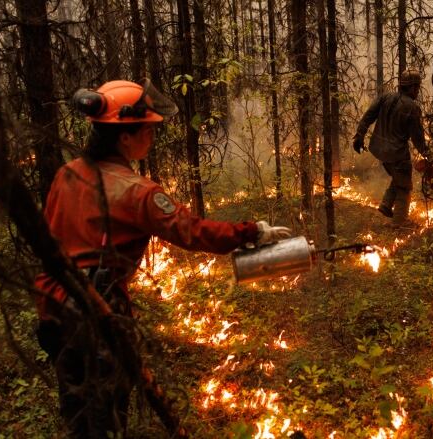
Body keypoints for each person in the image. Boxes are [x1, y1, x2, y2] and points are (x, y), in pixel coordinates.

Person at [34, 79, 291, 438]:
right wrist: (251, 232)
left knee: (77, 412)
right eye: (149, 130)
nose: (153, 136)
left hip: (52, 312)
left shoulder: (67, 174)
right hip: (97, 317)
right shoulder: (137, 192)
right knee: (105, 419)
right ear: (125, 136)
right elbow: (192, 231)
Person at [352, 69, 431, 227]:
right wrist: (428, 155)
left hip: (379, 149)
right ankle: (399, 223)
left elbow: (368, 116)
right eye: (416, 88)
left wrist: (359, 135)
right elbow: (418, 138)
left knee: (398, 177)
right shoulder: (412, 108)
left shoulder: (385, 97)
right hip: (396, 154)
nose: (417, 91)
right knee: (405, 186)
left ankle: (386, 205)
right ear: (411, 87)